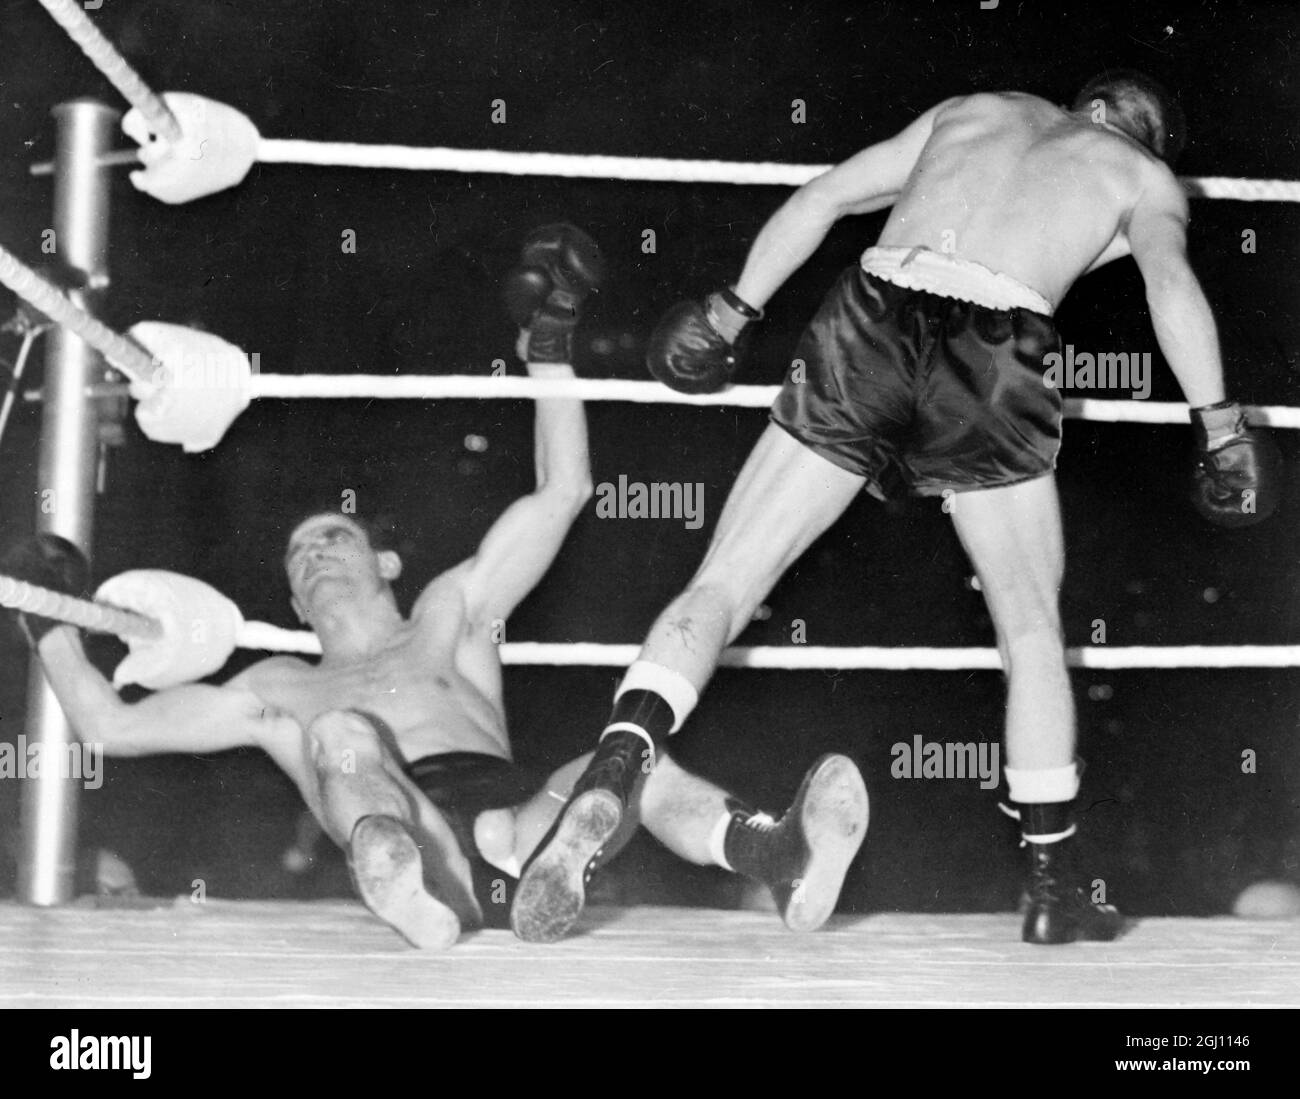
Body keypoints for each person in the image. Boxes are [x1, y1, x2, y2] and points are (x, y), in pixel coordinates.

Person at [514, 72, 1282, 945]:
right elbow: (1169, 286)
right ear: (1132, 134)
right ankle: (1050, 886)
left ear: (1090, 106)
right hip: (994, 352)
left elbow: (825, 196)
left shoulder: (979, 110)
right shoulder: (1141, 176)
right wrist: (1221, 426)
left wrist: (731, 313)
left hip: (873, 314)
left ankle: (620, 758)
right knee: (1031, 628)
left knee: (725, 580)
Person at [4, 224, 868, 949]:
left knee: (629, 763)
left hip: (523, 831)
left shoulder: (451, 613)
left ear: (387, 564)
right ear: (294, 606)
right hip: (414, 843)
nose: (315, 555)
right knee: (340, 732)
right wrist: (47, 618)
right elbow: (110, 726)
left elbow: (562, 492)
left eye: (334, 537)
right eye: (299, 556)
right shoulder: (275, 687)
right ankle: (407, 885)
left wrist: (549, 349)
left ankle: (776, 851)